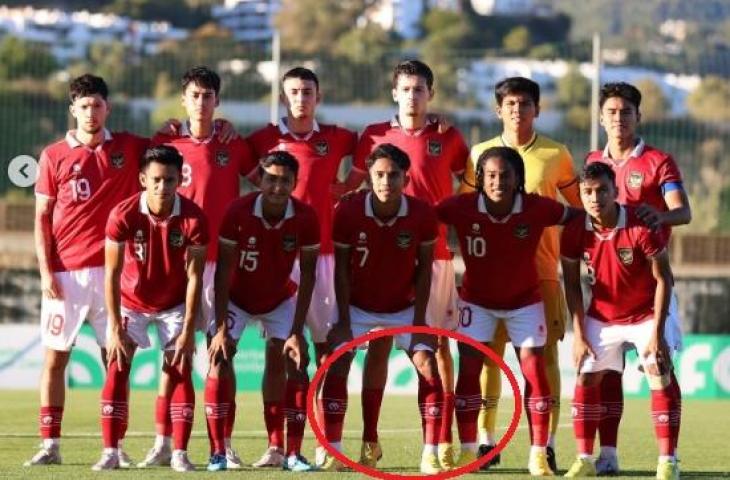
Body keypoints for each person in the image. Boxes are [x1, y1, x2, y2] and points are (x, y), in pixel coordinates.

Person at [343, 59, 468, 471]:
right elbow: (354, 185)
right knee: (378, 345)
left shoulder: (447, 136)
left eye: (419, 89)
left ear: (430, 94)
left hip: (436, 257)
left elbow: (469, 184)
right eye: (405, 88)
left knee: (439, 347)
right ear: (393, 92)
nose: (412, 95)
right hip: (385, 252)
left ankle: (440, 440)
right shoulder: (374, 135)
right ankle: (369, 439)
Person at [26, 73, 148, 467]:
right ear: (72, 110)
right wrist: (46, 273)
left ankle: (113, 448)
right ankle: (50, 445)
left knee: (116, 359)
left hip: (118, 273)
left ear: (107, 108)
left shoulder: (129, 147)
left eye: (97, 105)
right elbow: (41, 218)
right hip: (66, 274)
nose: (91, 112)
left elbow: (178, 146)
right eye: (83, 106)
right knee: (55, 359)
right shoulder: (53, 155)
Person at [460, 76, 581, 472]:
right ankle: (485, 441)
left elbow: (582, 209)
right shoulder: (479, 153)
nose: (517, 109)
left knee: (542, 361)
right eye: (510, 103)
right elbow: (464, 210)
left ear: (537, 109)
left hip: (541, 272)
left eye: (525, 103)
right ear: (498, 110)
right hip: (487, 279)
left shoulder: (556, 154)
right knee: (486, 359)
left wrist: (585, 250)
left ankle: (543, 445)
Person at [438, 146, 577, 477]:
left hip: (525, 302)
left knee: (534, 371)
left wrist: (624, 218)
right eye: (490, 175)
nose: (498, 181)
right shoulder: (460, 206)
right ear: (480, 179)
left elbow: (579, 217)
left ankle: (539, 455)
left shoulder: (537, 207)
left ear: (518, 179)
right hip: (476, 302)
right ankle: (470, 451)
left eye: (505, 175)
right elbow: (422, 218)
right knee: (470, 371)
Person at [144, 65, 256, 469]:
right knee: (173, 356)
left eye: (209, 96)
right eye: (195, 95)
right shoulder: (166, 141)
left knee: (221, 355)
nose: (202, 102)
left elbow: (264, 182)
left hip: (221, 264)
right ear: (184, 100)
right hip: (177, 262)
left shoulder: (233, 143)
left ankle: (222, 443)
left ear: (218, 101)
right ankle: (162, 442)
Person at [247, 66, 357, 467]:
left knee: (333, 351)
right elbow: (234, 160)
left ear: (318, 97)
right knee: (279, 352)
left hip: (324, 258)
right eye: (293, 91)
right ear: (283, 97)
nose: (301, 98)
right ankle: (277, 447)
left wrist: (347, 186)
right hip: (281, 259)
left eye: (308, 91)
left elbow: (373, 148)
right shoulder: (262, 139)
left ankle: (331, 444)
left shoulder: (338, 138)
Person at [584, 82, 690, 475]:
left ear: (637, 117)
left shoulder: (658, 161)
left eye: (625, 112)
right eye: (610, 112)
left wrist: (658, 216)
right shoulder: (595, 160)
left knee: (656, 365)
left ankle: (668, 460)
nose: (618, 118)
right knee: (606, 371)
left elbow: (683, 211)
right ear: (601, 118)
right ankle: (607, 455)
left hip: (650, 285)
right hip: (608, 288)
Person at [320, 143, 444, 474]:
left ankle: (430, 454)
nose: (385, 181)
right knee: (336, 363)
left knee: (428, 366)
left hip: (403, 308)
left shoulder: (421, 214)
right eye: (378, 174)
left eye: (393, 175)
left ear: (406, 178)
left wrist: (419, 322)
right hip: (357, 307)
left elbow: (424, 271)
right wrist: (344, 321)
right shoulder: (347, 212)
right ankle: (334, 450)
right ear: (369, 177)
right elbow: (342, 270)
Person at [561, 162, 681, 480]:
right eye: (587, 192)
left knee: (658, 369)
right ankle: (587, 458)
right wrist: (578, 332)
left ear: (615, 190)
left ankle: (668, 461)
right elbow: (571, 284)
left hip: (647, 312)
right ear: (580, 195)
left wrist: (657, 333)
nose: (595, 197)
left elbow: (664, 280)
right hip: (603, 315)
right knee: (586, 376)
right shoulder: (574, 231)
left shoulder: (641, 225)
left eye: (602, 190)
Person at [92, 145, 208, 472]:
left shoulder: (194, 218)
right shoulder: (123, 214)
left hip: (173, 304)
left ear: (179, 180)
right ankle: (111, 451)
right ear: (143, 179)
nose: (162, 187)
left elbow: (194, 277)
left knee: (180, 369)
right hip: (133, 303)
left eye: (169, 180)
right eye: (156, 179)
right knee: (117, 365)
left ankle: (180, 453)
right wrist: (114, 326)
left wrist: (187, 330)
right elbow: (112, 274)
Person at [207, 151, 320, 472]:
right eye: (271, 178)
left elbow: (309, 275)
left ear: (295, 183)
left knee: (294, 362)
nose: (277, 186)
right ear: (260, 179)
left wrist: (298, 331)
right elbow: (222, 271)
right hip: (236, 298)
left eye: (285, 180)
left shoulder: (306, 217)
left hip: (279, 299)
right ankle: (220, 451)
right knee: (219, 357)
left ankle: (286, 452)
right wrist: (219, 329)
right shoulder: (238, 211)